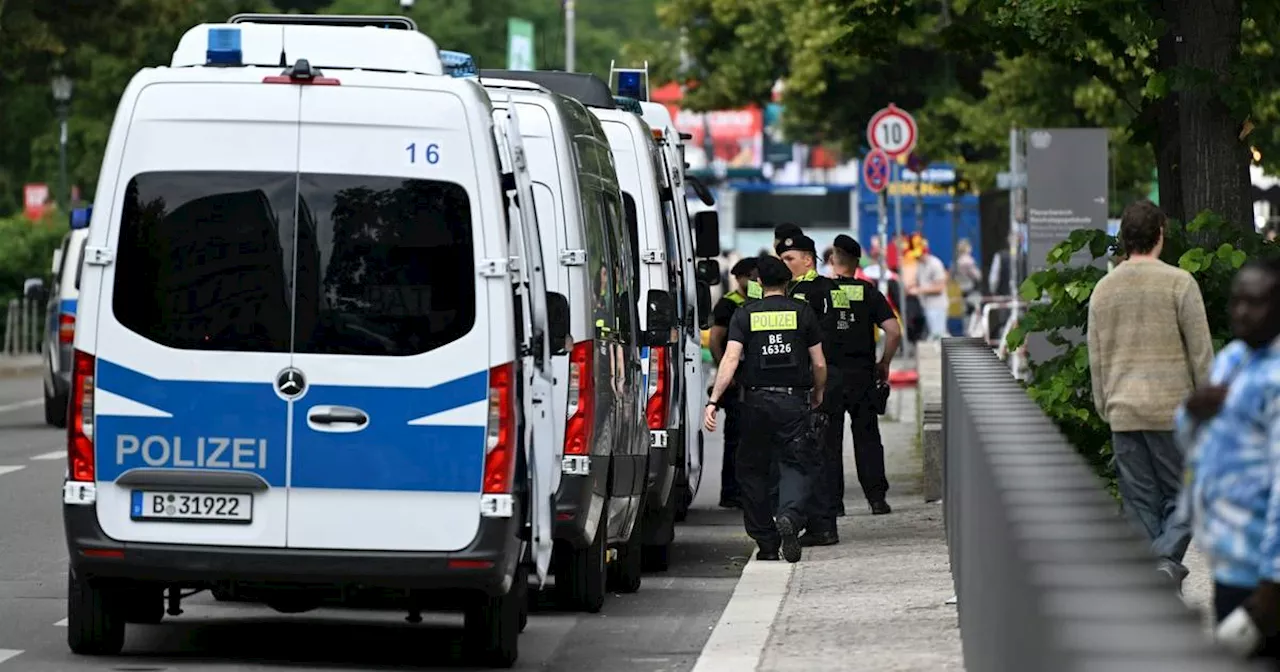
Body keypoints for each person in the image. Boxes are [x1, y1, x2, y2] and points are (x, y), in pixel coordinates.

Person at [1087, 199, 1213, 591]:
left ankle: (1153, 574)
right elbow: (1201, 353)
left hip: (1123, 409)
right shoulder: (1179, 283)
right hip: (1171, 409)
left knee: (1139, 503)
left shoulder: (1104, 290)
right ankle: (1164, 561)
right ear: (1160, 234)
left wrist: (1105, 404)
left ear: (1124, 239)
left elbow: (1097, 356)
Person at [1176, 258, 1280, 665]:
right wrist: (1191, 411)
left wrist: (1274, 580)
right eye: (1236, 301)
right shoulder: (1233, 359)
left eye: (1255, 302)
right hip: (1231, 563)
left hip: (1264, 574)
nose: (1241, 311)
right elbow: (1193, 442)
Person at [704, 255, 827, 564]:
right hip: (793, 401)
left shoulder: (745, 314)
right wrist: (818, 393)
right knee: (797, 464)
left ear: (759, 283)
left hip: (754, 403)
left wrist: (714, 400)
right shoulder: (803, 312)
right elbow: (820, 363)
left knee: (752, 471)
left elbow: (730, 360)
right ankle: (789, 516)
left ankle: (767, 543)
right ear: (787, 283)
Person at [801, 235, 903, 545]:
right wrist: (884, 362)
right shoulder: (868, 292)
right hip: (861, 375)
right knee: (868, 436)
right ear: (858, 263)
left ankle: (835, 504)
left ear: (832, 260)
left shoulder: (820, 291)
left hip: (830, 376)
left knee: (829, 440)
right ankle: (876, 498)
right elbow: (893, 331)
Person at [777, 234, 845, 521]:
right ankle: (826, 511)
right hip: (818, 375)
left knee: (820, 449)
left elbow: (836, 333)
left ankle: (823, 518)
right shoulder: (793, 290)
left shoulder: (817, 291)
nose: (784, 264)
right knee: (821, 448)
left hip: (821, 375)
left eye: (789, 259)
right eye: (781, 259)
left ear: (807, 259)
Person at [709, 257, 760, 509]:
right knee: (735, 439)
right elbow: (715, 339)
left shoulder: (760, 302)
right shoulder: (728, 304)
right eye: (749, 277)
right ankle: (730, 492)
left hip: (756, 378)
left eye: (757, 277)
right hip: (735, 380)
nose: (753, 281)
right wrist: (724, 373)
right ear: (738, 278)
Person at [911, 242, 950, 340]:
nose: (917, 258)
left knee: (938, 335)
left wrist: (919, 290)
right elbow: (919, 282)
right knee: (933, 336)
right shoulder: (920, 264)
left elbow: (940, 287)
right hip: (926, 305)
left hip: (937, 306)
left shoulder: (935, 264)